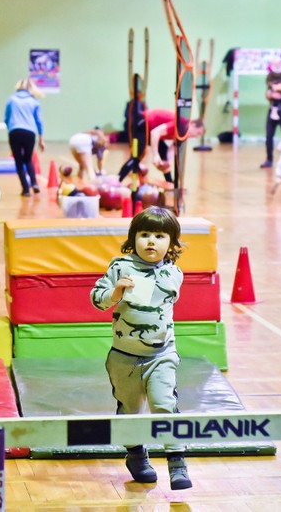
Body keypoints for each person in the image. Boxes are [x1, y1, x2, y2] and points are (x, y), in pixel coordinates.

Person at [89, 207, 192, 491]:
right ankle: (136, 453)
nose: (150, 241)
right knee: (130, 409)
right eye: (144, 234)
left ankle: (177, 459)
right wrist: (115, 293)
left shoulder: (173, 273)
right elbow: (97, 299)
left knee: (164, 404)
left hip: (162, 355)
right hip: (124, 357)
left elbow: (160, 300)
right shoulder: (119, 267)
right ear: (132, 239)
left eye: (159, 236)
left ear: (171, 244)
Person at [118, 109, 204, 184]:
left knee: (164, 153)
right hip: (141, 121)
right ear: (192, 125)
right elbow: (155, 133)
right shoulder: (180, 124)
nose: (196, 136)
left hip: (149, 128)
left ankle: (169, 182)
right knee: (138, 154)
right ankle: (118, 180)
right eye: (198, 133)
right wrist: (155, 155)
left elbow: (171, 149)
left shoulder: (183, 133)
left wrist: (168, 162)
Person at [5, 78, 45, 196]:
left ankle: (26, 189)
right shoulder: (34, 101)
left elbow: (6, 119)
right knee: (28, 159)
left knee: (19, 161)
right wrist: (41, 139)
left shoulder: (11, 100)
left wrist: (11, 129)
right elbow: (39, 121)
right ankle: (34, 183)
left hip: (15, 132)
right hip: (30, 133)